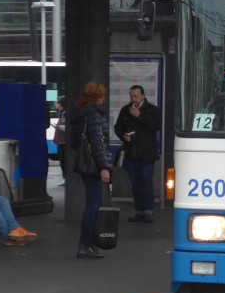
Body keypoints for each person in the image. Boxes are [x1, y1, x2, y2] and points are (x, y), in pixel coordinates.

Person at [69, 82, 112, 259]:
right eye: (102, 96)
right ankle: (85, 244)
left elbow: (74, 142)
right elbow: (97, 144)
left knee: (93, 204)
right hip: (94, 165)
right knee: (93, 206)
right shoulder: (93, 116)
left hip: (85, 164)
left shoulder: (81, 115)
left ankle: (89, 243)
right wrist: (104, 167)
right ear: (98, 97)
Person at [114, 85, 160, 223]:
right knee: (135, 183)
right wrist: (123, 135)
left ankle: (148, 211)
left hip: (147, 153)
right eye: (131, 96)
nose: (133, 99)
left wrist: (139, 116)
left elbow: (156, 125)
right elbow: (118, 127)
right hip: (132, 151)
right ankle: (139, 211)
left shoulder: (151, 110)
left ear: (142, 96)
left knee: (146, 181)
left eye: (135, 96)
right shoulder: (125, 110)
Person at [52, 97, 68, 186]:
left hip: (64, 141)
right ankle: (64, 178)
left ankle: (65, 178)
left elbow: (67, 128)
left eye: (56, 103)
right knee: (62, 161)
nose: (55, 104)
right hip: (61, 141)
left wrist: (58, 127)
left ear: (60, 104)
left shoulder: (64, 114)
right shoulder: (60, 113)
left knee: (64, 161)